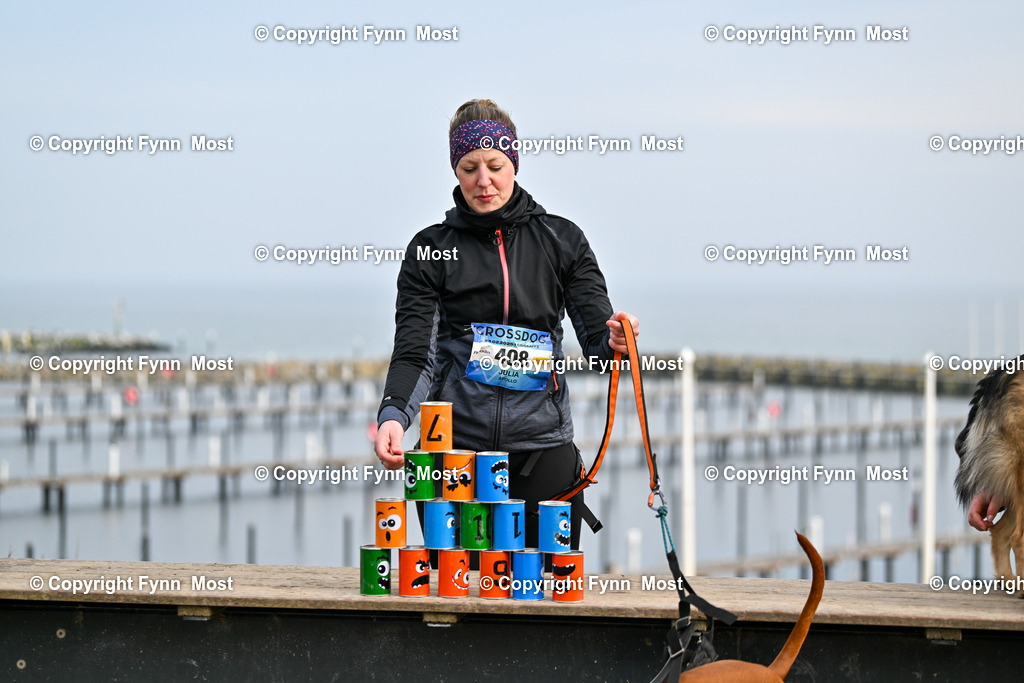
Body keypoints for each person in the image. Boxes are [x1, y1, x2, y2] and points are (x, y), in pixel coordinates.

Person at [373, 98, 638, 553]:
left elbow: (598, 344)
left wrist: (617, 339)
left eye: (495, 164)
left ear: (513, 162)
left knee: (549, 599)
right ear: (455, 171)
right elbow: (416, 353)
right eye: (469, 166)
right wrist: (394, 415)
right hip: (453, 453)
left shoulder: (563, 240)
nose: (483, 180)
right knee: (455, 602)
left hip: (543, 449)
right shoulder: (430, 250)